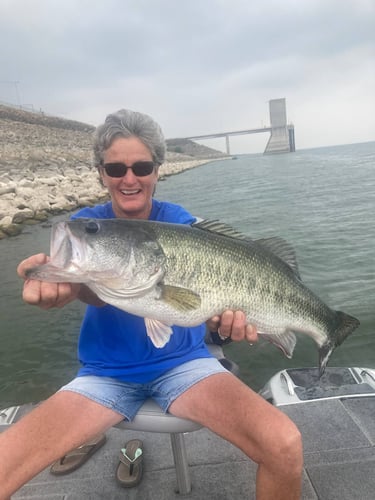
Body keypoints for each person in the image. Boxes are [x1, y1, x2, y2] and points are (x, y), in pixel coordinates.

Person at [0, 109, 303, 499]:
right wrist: (62, 285)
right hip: (105, 373)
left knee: (285, 444)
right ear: (100, 173)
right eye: (115, 168)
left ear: (157, 171)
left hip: (185, 366)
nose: (129, 178)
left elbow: (201, 300)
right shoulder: (87, 223)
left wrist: (228, 324)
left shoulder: (180, 225)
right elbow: (92, 282)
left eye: (142, 166)